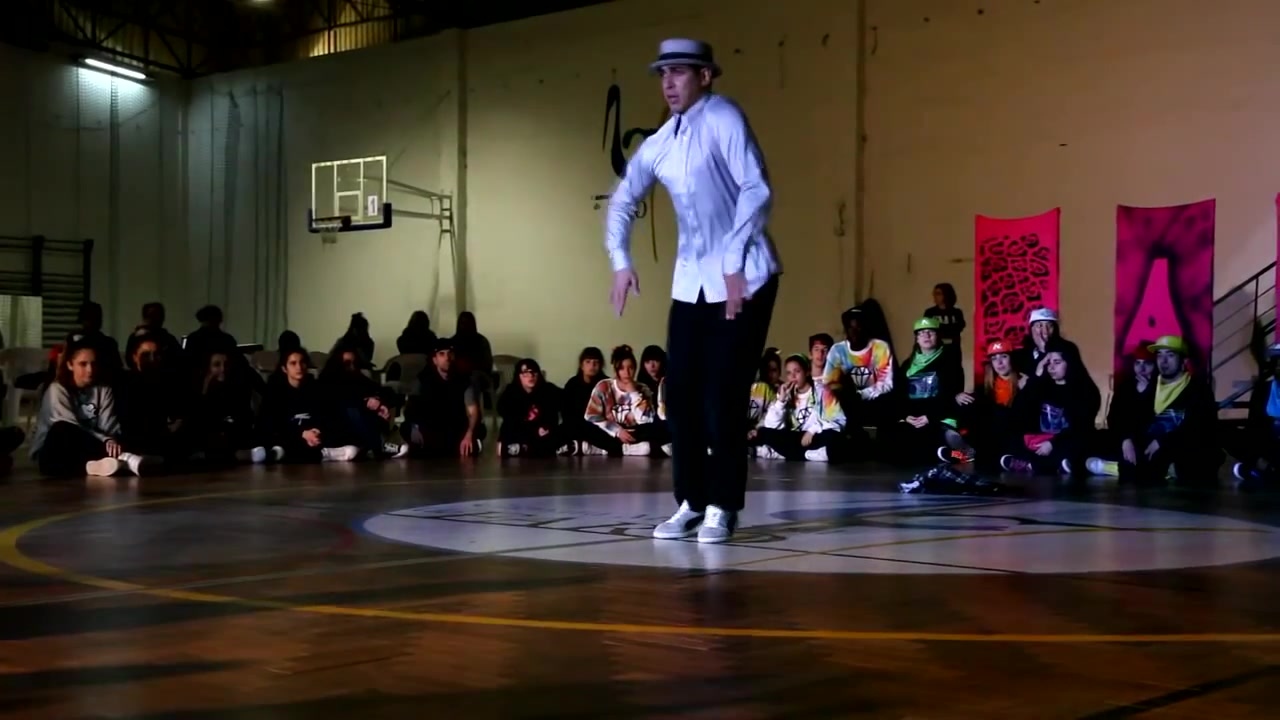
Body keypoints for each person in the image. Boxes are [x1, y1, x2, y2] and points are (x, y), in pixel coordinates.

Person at [606, 38, 780, 544]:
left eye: (679, 72)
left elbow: (756, 187)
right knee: (679, 397)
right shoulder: (662, 141)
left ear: (705, 76)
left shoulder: (724, 117)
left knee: (723, 394)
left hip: (745, 277)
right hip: (691, 286)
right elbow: (622, 200)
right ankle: (691, 501)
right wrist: (621, 262)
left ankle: (723, 506)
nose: (668, 82)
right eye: (663, 73)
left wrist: (733, 258)